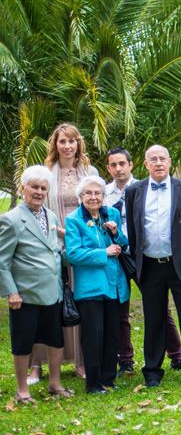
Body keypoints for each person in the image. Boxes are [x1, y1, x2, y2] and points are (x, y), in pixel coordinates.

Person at [125, 145, 181, 388]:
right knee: (154, 320)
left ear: (169, 162)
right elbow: (132, 230)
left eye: (162, 159)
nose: (158, 163)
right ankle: (152, 371)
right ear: (146, 164)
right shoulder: (134, 191)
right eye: (153, 159)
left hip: (180, 265)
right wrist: (136, 266)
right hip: (150, 266)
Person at [104, 147, 181, 377]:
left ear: (132, 165)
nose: (118, 168)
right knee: (120, 309)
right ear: (108, 168)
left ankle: (176, 354)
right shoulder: (103, 192)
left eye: (123, 163)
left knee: (159, 309)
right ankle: (126, 359)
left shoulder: (144, 188)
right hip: (115, 256)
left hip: (141, 257)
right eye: (113, 165)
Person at [28, 123, 98, 384]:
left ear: (79, 143)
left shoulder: (90, 172)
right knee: (46, 303)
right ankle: (37, 365)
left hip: (83, 246)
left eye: (72, 141)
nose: (67, 146)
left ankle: (81, 361)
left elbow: (95, 207)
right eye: (62, 142)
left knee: (82, 301)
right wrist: (58, 233)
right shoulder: (45, 173)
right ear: (55, 145)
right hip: (52, 244)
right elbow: (36, 209)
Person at [0, 166, 73, 403]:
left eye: (43, 188)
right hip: (25, 294)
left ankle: (55, 383)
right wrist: (11, 292)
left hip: (52, 291)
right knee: (23, 341)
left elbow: (54, 248)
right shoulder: (10, 219)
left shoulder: (51, 216)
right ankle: (22, 390)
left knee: (55, 339)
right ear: (23, 188)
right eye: (34, 187)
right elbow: (2, 261)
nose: (39, 192)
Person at [65, 176, 129, 393]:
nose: (93, 197)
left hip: (114, 283)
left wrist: (115, 233)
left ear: (103, 195)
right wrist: (104, 252)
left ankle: (109, 378)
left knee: (112, 332)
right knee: (93, 335)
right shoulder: (74, 220)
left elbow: (123, 243)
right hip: (90, 286)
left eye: (97, 193)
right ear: (81, 197)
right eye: (88, 193)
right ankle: (93, 383)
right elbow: (73, 254)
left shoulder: (111, 213)